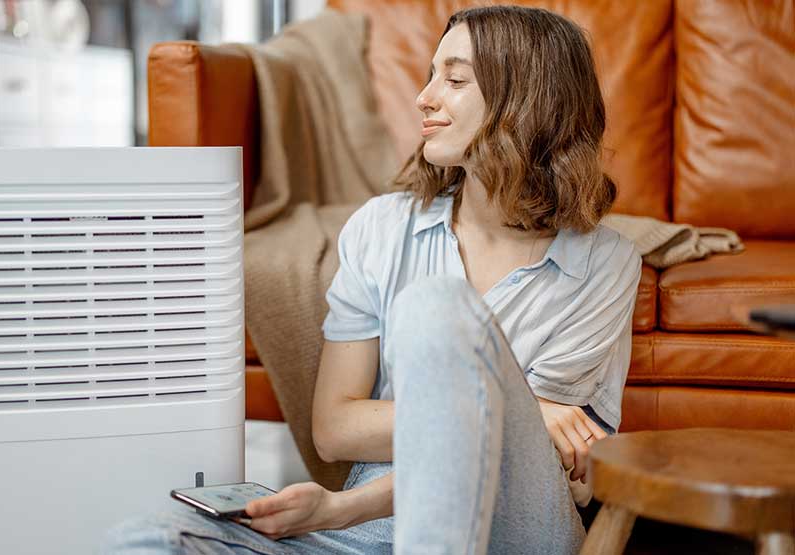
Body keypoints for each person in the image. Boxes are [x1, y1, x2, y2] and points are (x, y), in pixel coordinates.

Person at [104, 5, 641, 554]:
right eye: (431, 76)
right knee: (148, 539)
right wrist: (518, 412)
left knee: (434, 307)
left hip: (514, 529)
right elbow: (334, 428)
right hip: (368, 534)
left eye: (455, 80)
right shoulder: (382, 227)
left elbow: (522, 459)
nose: (424, 98)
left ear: (528, 100)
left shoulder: (605, 262)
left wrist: (343, 507)